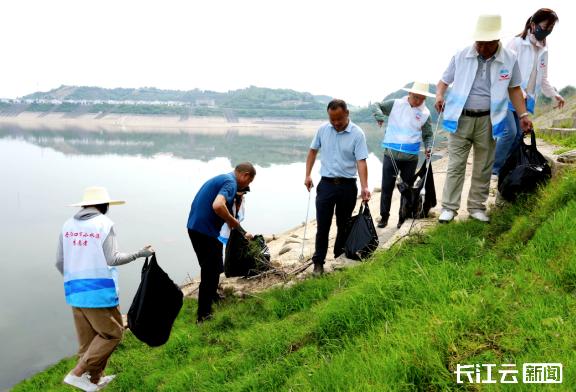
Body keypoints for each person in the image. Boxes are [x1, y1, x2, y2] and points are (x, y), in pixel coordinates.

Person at [435, 14, 533, 224]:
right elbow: (443, 81)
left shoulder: (509, 57)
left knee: (484, 165)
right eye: (479, 43)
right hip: (460, 119)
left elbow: (514, 89)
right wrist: (440, 95)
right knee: (455, 165)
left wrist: (523, 114)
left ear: (496, 41)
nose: (481, 48)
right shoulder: (461, 54)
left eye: (487, 44)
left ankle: (476, 207)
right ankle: (449, 208)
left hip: (489, 119)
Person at [56, 186, 154, 392]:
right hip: (99, 291)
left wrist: (77, 278)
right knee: (113, 334)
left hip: (74, 290)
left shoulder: (67, 225)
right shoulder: (104, 224)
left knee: (88, 341)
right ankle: (77, 374)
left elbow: (59, 262)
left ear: (84, 205)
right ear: (105, 205)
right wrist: (140, 253)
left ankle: (94, 381)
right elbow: (112, 258)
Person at [304, 99, 371, 275]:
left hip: (348, 187)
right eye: (332, 119)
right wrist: (308, 174)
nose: (335, 123)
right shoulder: (323, 130)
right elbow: (312, 151)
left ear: (347, 114)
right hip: (326, 185)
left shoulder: (357, 134)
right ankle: (318, 263)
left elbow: (361, 161)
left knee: (343, 224)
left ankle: (338, 255)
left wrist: (365, 187)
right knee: (323, 226)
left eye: (339, 119)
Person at [493, 8, 562, 176]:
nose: (547, 31)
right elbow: (503, 70)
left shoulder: (544, 50)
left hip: (526, 100)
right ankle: (493, 169)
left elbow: (543, 79)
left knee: (518, 137)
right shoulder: (516, 43)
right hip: (508, 96)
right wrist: (518, 90)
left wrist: (554, 94)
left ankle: (506, 168)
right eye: (545, 26)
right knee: (510, 132)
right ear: (533, 24)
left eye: (551, 28)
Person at [187, 163, 255, 323]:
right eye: (249, 182)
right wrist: (231, 220)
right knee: (209, 272)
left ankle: (213, 296)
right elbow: (218, 205)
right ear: (245, 175)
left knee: (216, 265)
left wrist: (242, 231)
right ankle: (203, 316)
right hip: (204, 231)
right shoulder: (231, 183)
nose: (247, 185)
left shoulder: (224, 178)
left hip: (197, 227)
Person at [373, 81, 434, 228]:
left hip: (410, 157)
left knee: (406, 190)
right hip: (391, 155)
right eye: (416, 97)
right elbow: (377, 105)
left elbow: (428, 135)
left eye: (422, 98)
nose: (418, 101)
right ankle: (384, 217)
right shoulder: (396, 104)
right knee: (386, 187)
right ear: (410, 94)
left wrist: (428, 147)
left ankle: (402, 218)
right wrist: (380, 116)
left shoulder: (425, 113)